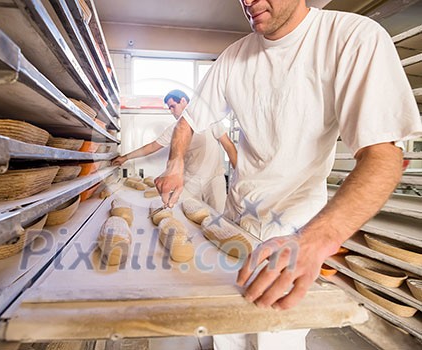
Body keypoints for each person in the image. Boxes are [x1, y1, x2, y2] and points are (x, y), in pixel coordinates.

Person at [155, 0, 422, 348]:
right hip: (238, 221)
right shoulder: (233, 58)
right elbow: (188, 121)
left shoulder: (349, 37)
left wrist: (314, 242)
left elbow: (383, 156)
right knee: (227, 333)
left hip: (296, 228)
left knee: (274, 338)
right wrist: (174, 165)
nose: (248, 1)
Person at [112, 89, 237, 213]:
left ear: (183, 101)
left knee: (219, 217)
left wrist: (239, 176)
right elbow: (151, 147)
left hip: (213, 179)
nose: (171, 111)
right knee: (190, 216)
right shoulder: (174, 129)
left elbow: (229, 146)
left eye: (173, 106)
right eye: (169, 108)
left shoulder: (209, 121)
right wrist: (125, 158)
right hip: (190, 180)